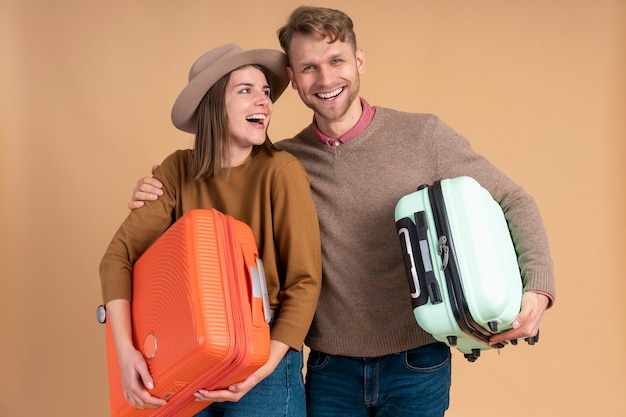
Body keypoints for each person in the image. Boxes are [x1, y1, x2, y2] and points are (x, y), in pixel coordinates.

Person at [128, 6, 556, 417]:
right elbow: (220, 197)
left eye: (336, 60)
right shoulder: (283, 163)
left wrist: (537, 289)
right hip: (328, 369)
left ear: (359, 61)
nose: (326, 77)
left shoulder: (424, 135)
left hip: (417, 362)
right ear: (293, 79)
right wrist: (159, 191)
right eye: (309, 67)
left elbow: (514, 200)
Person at [100, 43, 322, 417]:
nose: (263, 102)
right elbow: (117, 258)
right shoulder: (176, 170)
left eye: (266, 92)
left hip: (264, 359)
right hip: (188, 354)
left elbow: (304, 281)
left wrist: (262, 368)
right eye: (246, 91)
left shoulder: (281, 172)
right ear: (213, 105)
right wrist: (126, 353)